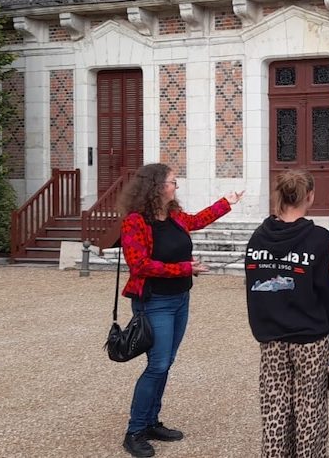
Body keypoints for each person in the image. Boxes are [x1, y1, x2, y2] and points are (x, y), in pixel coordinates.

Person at [118, 163, 243, 457]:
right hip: (154, 301)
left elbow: (197, 220)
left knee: (166, 361)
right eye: (173, 181)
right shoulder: (135, 222)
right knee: (157, 365)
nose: (177, 186)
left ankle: (150, 421)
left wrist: (226, 203)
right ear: (157, 186)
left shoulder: (173, 215)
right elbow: (140, 264)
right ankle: (134, 430)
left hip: (179, 299)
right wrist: (185, 268)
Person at [244, 170, 329, 458]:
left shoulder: (256, 240)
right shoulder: (317, 240)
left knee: (275, 410)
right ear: (310, 197)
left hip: (273, 337)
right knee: (309, 408)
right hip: (310, 338)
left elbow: (253, 290)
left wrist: (262, 326)